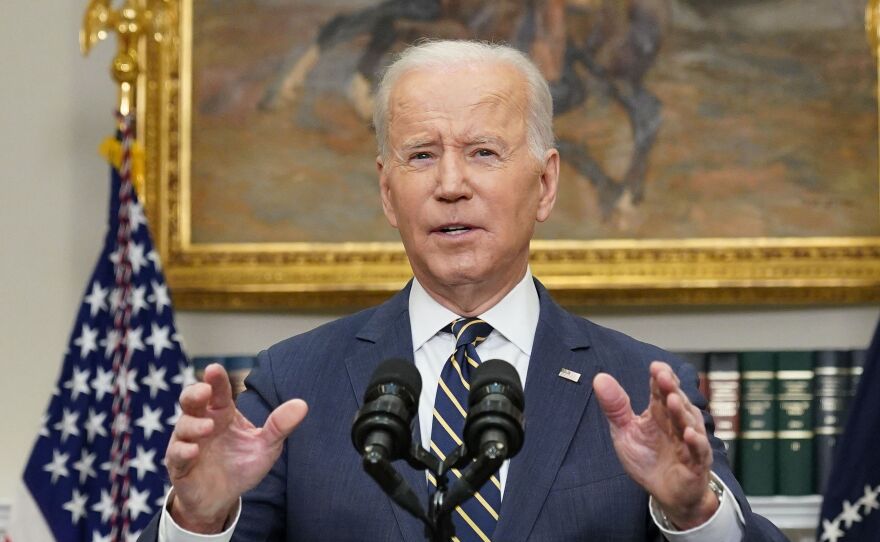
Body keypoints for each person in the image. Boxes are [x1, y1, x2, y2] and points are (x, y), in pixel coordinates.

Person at [140, 40, 785, 541]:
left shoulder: (642, 388)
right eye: (421, 155)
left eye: (483, 152)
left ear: (546, 185)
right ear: (387, 192)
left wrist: (695, 514)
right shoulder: (294, 383)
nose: (450, 184)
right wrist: (198, 520)